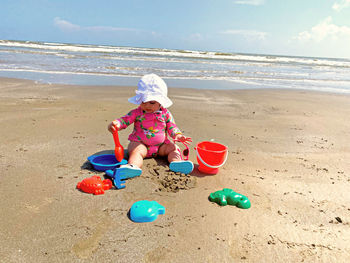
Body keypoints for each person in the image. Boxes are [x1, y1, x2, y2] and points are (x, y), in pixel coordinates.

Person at [108, 74, 194, 178]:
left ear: (161, 102)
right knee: (136, 151)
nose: (147, 105)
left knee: (173, 148)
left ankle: (176, 163)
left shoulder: (165, 114)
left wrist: (178, 135)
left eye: (152, 102)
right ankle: (133, 167)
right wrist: (116, 124)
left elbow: (172, 127)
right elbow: (125, 120)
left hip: (161, 147)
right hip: (141, 144)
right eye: (143, 101)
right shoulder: (137, 112)